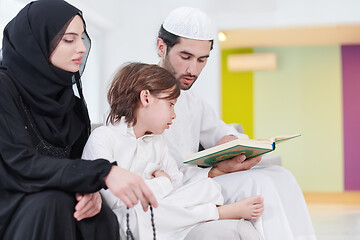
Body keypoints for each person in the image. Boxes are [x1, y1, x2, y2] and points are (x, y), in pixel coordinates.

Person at [156, 6, 317, 240]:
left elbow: (224, 132)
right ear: (162, 47)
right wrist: (215, 171)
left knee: (282, 176)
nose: (193, 69)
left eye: (202, 60)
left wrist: (235, 143)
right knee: (260, 184)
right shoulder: (144, 95)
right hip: (181, 190)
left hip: (200, 180)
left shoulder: (192, 99)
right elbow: (166, 175)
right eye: (186, 57)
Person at [0, 1, 157, 240]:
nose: (82, 48)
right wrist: (102, 174)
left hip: (54, 199)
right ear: (37, 43)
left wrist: (89, 191)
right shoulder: (4, 88)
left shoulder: (71, 106)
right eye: (69, 39)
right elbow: (20, 164)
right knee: (53, 204)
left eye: (82, 38)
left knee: (95, 212)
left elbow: (77, 165)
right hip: (11, 201)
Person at [82, 62, 265, 239]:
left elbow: (177, 182)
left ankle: (190, 217)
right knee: (142, 212)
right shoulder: (103, 138)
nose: (174, 114)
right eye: (170, 104)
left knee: (208, 188)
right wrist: (162, 183)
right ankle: (218, 212)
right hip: (126, 220)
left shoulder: (156, 141)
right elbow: (117, 201)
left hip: (162, 209)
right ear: (146, 98)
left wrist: (165, 185)